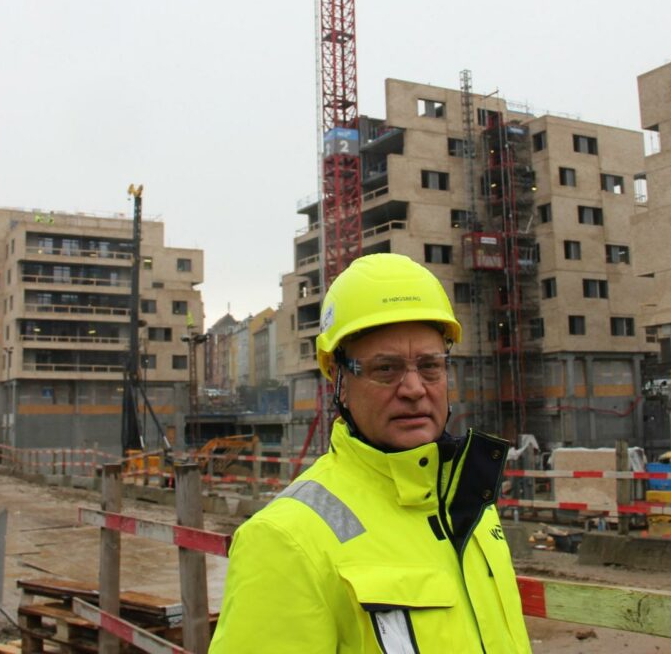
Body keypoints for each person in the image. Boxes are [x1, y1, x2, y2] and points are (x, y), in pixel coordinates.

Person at [210, 253, 532, 653]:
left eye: (430, 366)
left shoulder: (471, 507)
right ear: (340, 381)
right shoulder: (284, 540)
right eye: (386, 369)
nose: (414, 388)